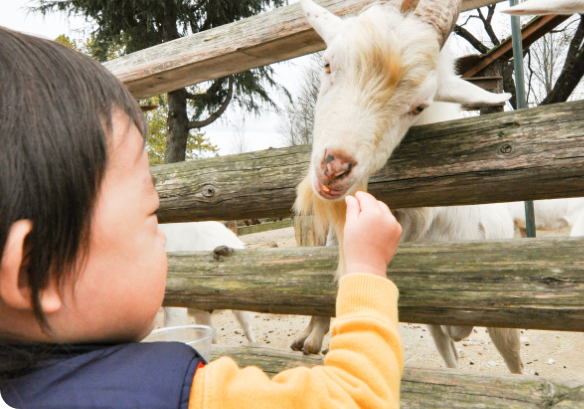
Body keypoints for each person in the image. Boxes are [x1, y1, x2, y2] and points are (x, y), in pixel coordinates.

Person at [0, 26, 404, 409]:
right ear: (37, 268)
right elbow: (359, 397)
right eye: (151, 213)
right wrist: (366, 269)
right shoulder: (183, 394)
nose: (161, 236)